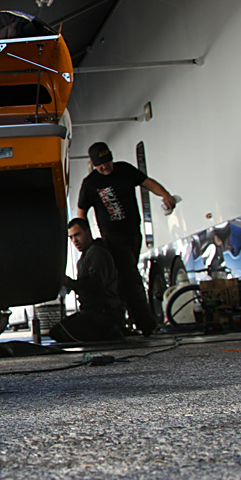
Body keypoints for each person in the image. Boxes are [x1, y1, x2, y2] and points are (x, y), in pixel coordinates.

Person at [76, 141, 177, 336]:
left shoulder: (124, 170)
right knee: (130, 276)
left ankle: (120, 323)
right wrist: (83, 239)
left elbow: (147, 183)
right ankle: (145, 323)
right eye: (100, 165)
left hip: (133, 231)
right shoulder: (90, 184)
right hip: (112, 235)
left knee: (123, 276)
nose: (105, 167)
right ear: (93, 164)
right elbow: (81, 212)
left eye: (108, 162)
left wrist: (165, 195)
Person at [50, 218, 124, 343]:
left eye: (77, 235)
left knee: (65, 333)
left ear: (87, 232)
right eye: (71, 237)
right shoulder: (84, 258)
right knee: (57, 332)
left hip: (103, 311)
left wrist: (70, 283)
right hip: (89, 311)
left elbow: (95, 286)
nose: (75, 241)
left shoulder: (97, 253)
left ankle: (111, 331)